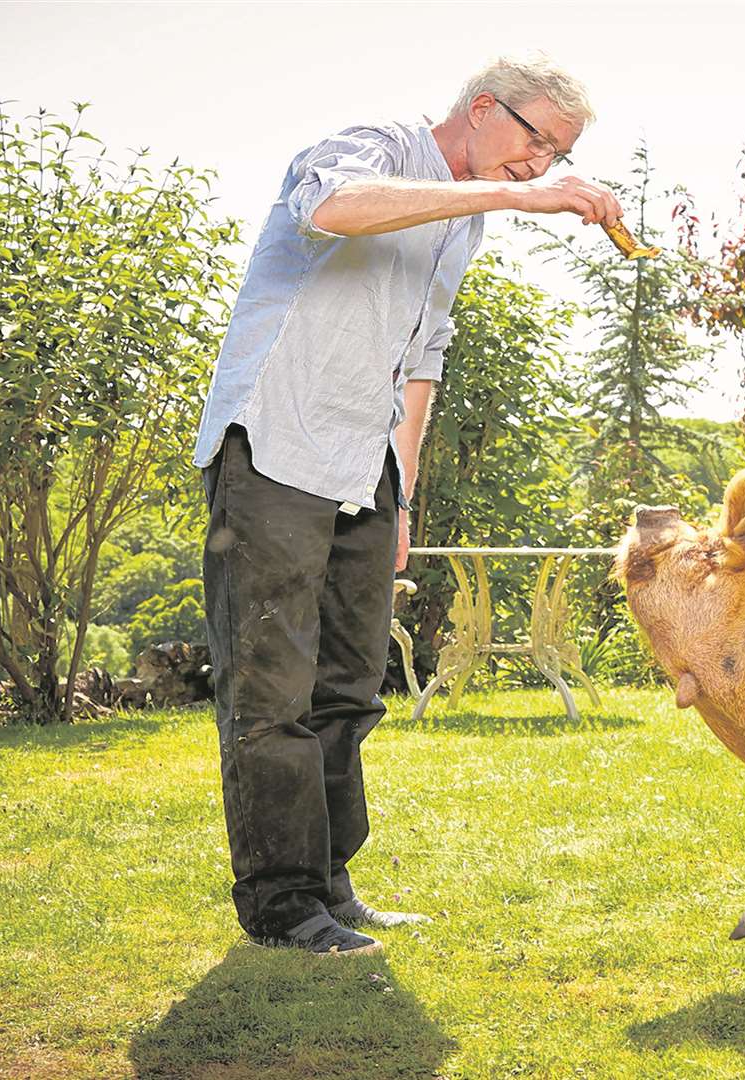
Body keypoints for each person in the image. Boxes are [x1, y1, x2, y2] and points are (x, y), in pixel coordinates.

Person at [192, 54, 623, 956]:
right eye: (536, 139)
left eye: (559, 154)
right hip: (273, 444)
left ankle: (330, 883)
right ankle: (280, 904)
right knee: (271, 691)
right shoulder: (374, 147)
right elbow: (330, 209)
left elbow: (421, 360)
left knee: (348, 689)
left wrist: (403, 494)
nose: (542, 165)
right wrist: (511, 200)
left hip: (365, 469)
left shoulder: (458, 228)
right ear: (481, 108)